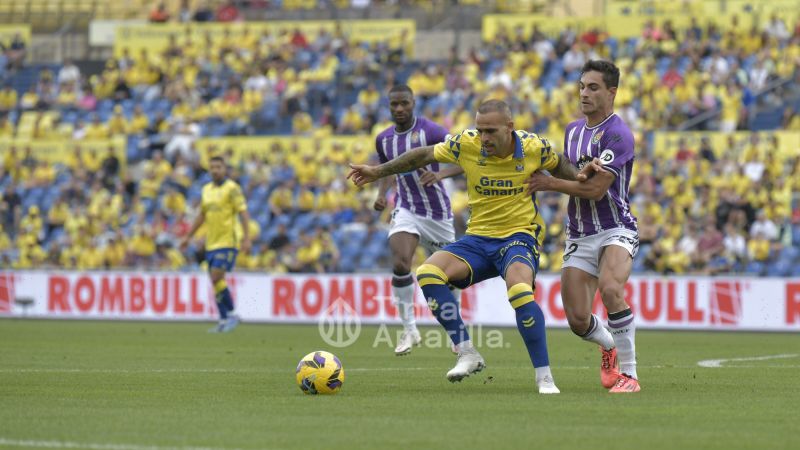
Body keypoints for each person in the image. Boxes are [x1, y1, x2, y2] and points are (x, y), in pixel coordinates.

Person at [349, 99, 593, 394]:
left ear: (510, 128)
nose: (484, 138)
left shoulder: (533, 147)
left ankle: (544, 377)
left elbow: (560, 164)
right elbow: (422, 155)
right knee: (427, 272)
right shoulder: (467, 143)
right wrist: (379, 171)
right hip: (477, 239)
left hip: (519, 236)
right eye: (480, 130)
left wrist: (582, 179)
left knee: (518, 290)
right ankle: (467, 352)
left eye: (490, 131)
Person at [524, 60, 641, 393]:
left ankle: (630, 376)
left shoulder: (618, 134)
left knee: (610, 289)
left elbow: (595, 189)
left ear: (611, 92)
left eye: (593, 87)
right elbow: (574, 177)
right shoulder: (573, 130)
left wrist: (549, 184)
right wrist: (565, 174)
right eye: (582, 86)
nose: (584, 93)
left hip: (616, 227)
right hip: (579, 233)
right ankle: (609, 346)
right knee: (577, 320)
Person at [373, 84, 464, 356]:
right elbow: (388, 169)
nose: (399, 109)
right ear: (389, 107)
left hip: (438, 214)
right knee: (401, 261)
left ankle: (456, 332)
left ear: (413, 103)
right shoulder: (383, 139)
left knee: (452, 277)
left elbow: (465, 157)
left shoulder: (432, 131)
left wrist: (440, 175)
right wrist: (381, 194)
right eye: (394, 105)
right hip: (406, 208)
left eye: (404, 103)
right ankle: (409, 329)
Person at [181, 156, 251, 333]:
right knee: (216, 281)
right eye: (212, 167)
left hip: (228, 240)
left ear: (225, 169)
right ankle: (223, 319)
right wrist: (188, 236)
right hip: (211, 242)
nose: (215, 170)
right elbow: (201, 216)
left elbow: (243, 213)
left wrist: (247, 238)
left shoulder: (232, 188)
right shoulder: (206, 190)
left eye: (218, 167)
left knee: (215, 276)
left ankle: (232, 314)